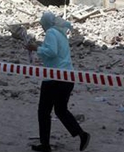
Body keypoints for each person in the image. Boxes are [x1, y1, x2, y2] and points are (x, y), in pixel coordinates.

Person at [25, 11, 91, 152]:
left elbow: (52, 52)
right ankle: (82, 134)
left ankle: (45, 145)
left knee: (44, 112)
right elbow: (54, 51)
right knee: (61, 110)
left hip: (54, 78)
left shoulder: (51, 33)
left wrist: (36, 48)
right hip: (67, 77)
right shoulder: (60, 33)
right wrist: (39, 47)